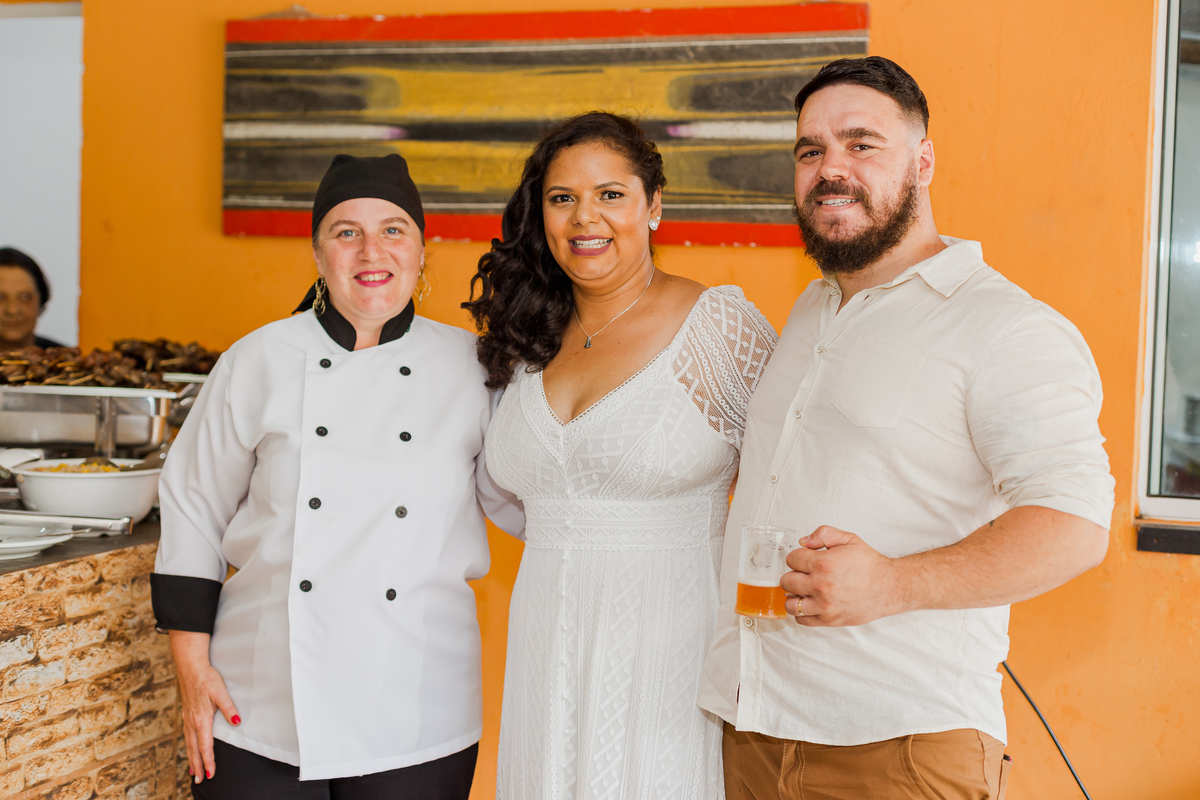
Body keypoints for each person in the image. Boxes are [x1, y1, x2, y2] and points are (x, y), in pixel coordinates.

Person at [698, 57, 1115, 800]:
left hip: (899, 750)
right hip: (754, 733)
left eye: (861, 144)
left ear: (923, 162)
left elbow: (1075, 525)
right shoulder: (812, 310)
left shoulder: (1006, 326)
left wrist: (893, 583)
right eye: (810, 150)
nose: (831, 168)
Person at [152, 153, 523, 799]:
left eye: (393, 230)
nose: (371, 250)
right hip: (257, 700)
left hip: (417, 706)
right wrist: (191, 668)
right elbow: (192, 508)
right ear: (318, 253)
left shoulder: (474, 368)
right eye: (346, 232)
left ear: (421, 251)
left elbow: (520, 496)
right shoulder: (258, 359)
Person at [466, 112, 778, 799]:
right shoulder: (528, 334)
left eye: (611, 194)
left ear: (654, 205)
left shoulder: (717, 327)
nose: (586, 217)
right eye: (563, 197)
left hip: (672, 654)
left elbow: (790, 488)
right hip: (545, 648)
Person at [0, 247, 65, 348]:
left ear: (41, 301)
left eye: (25, 297)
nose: (12, 310)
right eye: (0, 297)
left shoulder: (64, 356)